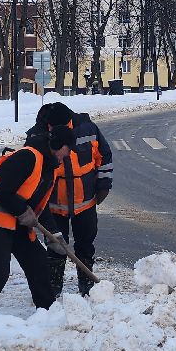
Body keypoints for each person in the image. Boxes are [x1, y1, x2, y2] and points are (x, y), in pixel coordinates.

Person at [0, 122, 74, 321]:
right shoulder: (27, 157)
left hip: (17, 222)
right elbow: (2, 193)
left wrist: (55, 234)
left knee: (38, 263)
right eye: (68, 149)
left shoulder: (50, 168)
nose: (68, 155)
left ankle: (48, 314)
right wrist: (22, 210)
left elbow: (40, 206)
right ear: (60, 145)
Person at [35, 100, 113, 297]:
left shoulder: (88, 129)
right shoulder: (38, 135)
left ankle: (86, 286)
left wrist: (104, 185)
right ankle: (53, 288)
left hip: (85, 201)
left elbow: (104, 157)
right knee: (55, 247)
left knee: (85, 245)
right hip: (53, 204)